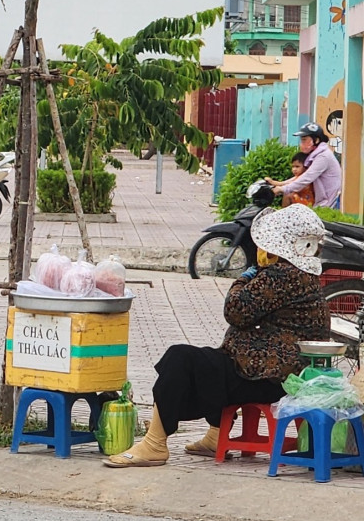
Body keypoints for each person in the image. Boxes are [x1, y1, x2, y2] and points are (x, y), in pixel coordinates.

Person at [104, 204, 330, 468]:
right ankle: (215, 434)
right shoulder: (305, 276)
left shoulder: (280, 276)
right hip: (281, 372)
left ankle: (154, 444)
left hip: (268, 377)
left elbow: (236, 311)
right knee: (214, 362)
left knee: (180, 358)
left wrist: (242, 280)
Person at [267, 122, 342, 208]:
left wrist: (283, 189)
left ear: (316, 140)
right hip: (320, 202)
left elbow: (306, 177)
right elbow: (300, 176)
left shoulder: (323, 157)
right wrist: (279, 184)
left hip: (327, 204)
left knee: (290, 195)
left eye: (304, 140)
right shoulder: (315, 155)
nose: (301, 144)